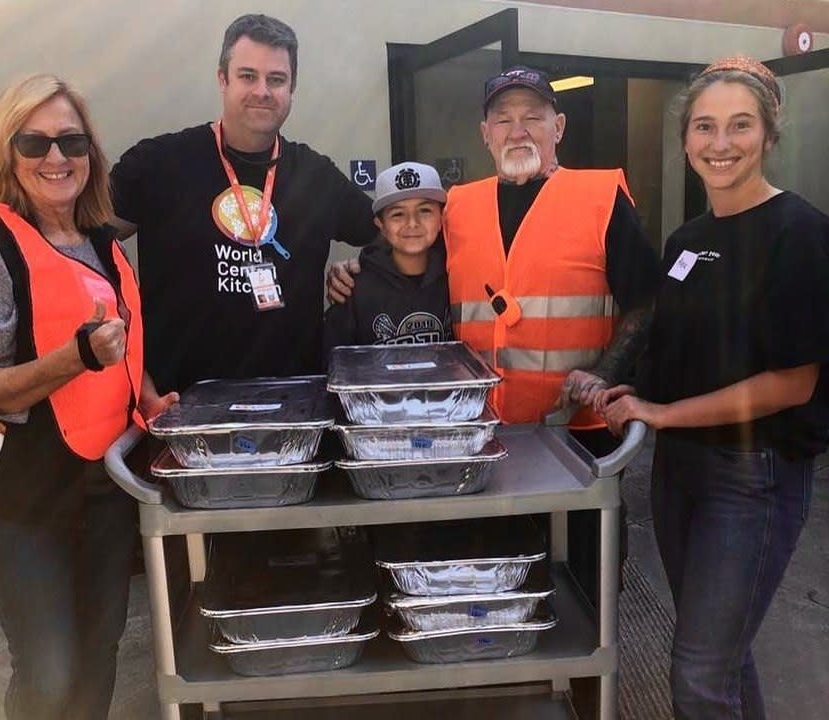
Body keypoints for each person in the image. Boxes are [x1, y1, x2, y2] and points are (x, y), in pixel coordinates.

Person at [328, 66, 660, 604]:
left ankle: (583, 682)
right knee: (493, 564)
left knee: (586, 576)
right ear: (485, 134)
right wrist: (351, 271)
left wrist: (604, 374)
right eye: (503, 118)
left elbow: (648, 299)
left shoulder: (601, 198)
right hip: (479, 431)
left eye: (533, 116)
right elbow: (405, 254)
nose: (518, 129)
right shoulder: (458, 206)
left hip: (577, 431)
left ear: (560, 126)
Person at [599, 57, 829, 719]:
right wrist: (617, 383)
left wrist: (663, 413)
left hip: (750, 475)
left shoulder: (799, 234)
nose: (719, 143)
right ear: (684, 139)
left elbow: (790, 384)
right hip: (680, 470)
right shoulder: (686, 239)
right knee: (721, 656)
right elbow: (672, 340)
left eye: (738, 125)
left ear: (768, 134)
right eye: (704, 126)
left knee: (698, 675)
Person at [0, 74, 176, 720]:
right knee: (50, 674)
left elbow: (120, 350)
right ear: (9, 154)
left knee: (99, 656)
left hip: (105, 491)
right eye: (35, 142)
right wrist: (71, 359)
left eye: (71, 141)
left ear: (91, 153)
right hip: (21, 505)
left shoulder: (106, 244)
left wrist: (148, 398)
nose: (56, 158)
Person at [109, 13, 377, 395]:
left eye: (277, 79)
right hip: (180, 404)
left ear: (292, 88)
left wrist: (360, 269)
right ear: (223, 79)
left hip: (291, 406)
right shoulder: (158, 164)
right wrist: (132, 365)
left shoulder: (316, 177)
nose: (262, 91)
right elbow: (85, 247)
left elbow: (393, 233)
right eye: (248, 76)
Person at [322, 161, 451, 354]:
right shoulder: (352, 288)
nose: (412, 223)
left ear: (441, 219)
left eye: (425, 211)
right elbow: (335, 363)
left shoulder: (457, 278)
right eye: (398, 214)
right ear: (380, 224)